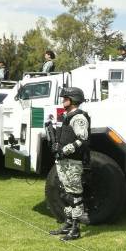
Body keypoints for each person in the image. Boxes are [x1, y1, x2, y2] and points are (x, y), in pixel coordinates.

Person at [49, 87, 90, 241]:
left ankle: (76, 229)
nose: (63, 100)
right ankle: (67, 224)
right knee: (65, 193)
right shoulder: (66, 116)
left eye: (65, 98)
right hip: (63, 161)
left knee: (75, 195)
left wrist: (65, 150)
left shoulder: (79, 117)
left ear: (73, 99)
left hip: (73, 161)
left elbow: (82, 139)